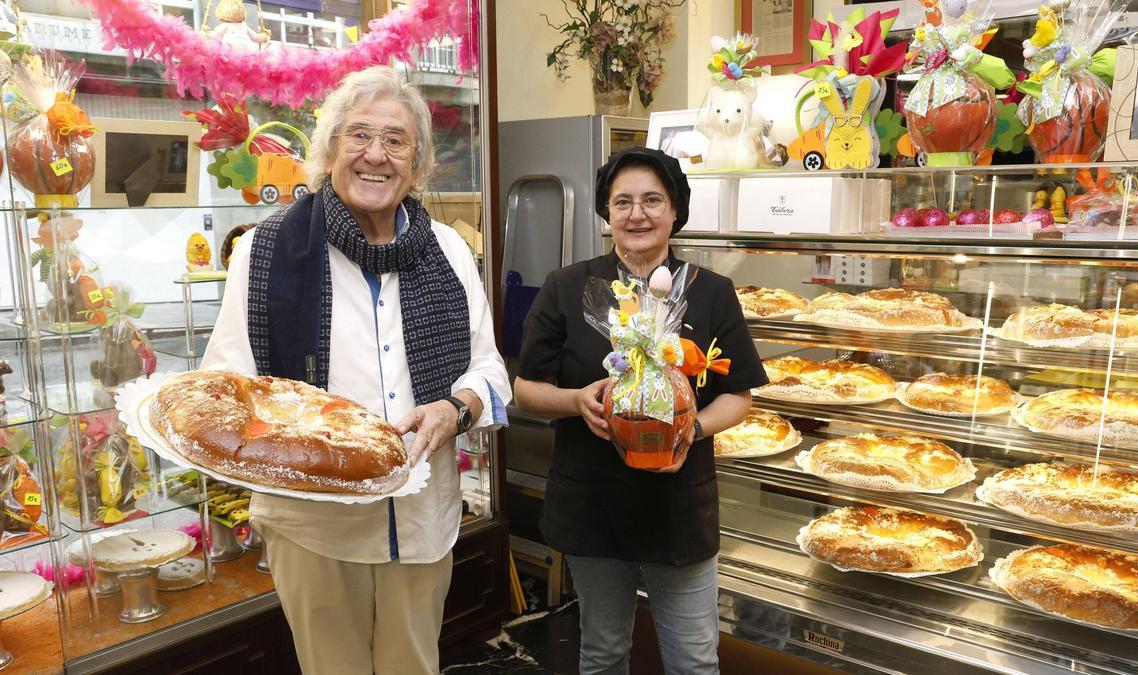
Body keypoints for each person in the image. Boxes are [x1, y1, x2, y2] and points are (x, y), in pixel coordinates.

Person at [201, 66, 510, 674]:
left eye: (395, 140)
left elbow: (491, 370)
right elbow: (228, 388)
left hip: (423, 518)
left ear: (417, 162)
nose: (376, 155)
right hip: (314, 527)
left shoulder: (448, 250)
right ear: (329, 151)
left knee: (413, 666)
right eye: (358, 136)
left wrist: (457, 408)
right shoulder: (265, 252)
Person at [514, 147, 767, 675]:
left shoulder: (711, 293)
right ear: (607, 213)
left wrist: (690, 429)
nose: (638, 214)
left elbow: (739, 394)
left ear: (676, 210)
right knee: (603, 653)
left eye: (653, 199)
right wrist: (576, 401)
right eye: (622, 201)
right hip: (593, 503)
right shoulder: (568, 288)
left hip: (680, 505)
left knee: (695, 661)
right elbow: (526, 390)